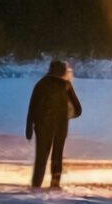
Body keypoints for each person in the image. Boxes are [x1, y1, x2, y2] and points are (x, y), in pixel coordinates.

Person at [24, 58, 84, 189]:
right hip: (60, 125)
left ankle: (36, 184)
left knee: (41, 156)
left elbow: (32, 106)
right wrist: (65, 115)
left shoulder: (41, 84)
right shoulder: (66, 85)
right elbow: (78, 109)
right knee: (57, 153)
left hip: (42, 124)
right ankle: (55, 183)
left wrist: (29, 125)